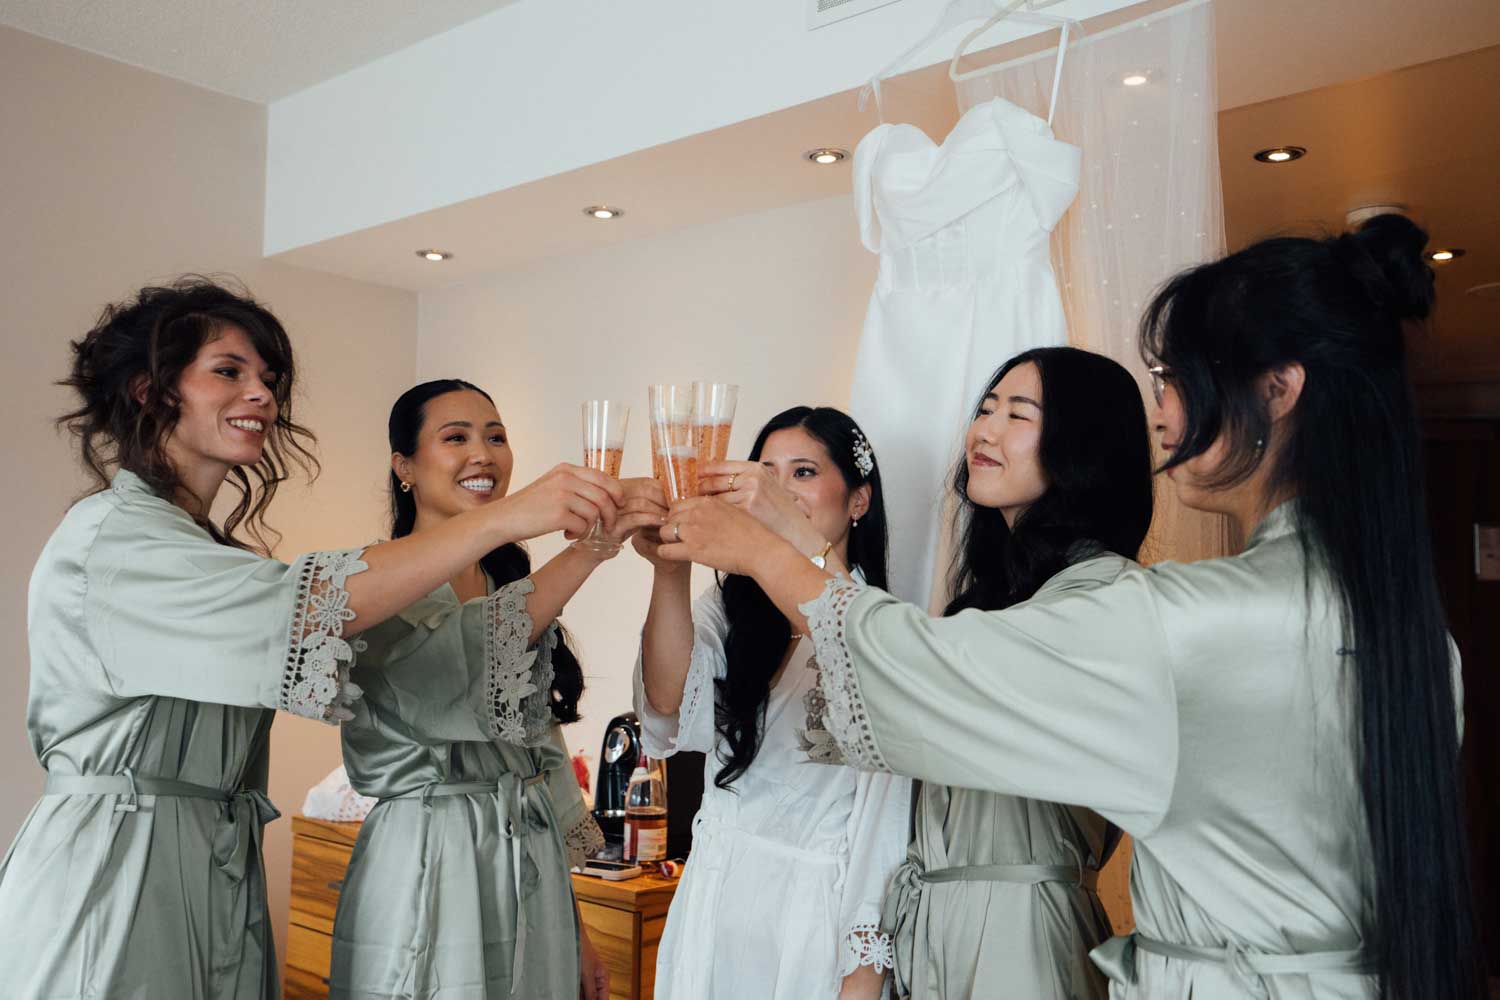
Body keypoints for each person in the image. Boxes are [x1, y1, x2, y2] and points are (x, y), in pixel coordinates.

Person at [655, 216, 1484, 999]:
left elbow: (924, 675)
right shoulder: (1405, 633)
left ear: (1277, 390)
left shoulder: (1177, 617)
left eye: (1177, 378)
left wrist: (769, 550)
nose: (1163, 409)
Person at [0, 279, 624, 1000]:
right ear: (149, 390)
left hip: (210, 862)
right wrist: (515, 522)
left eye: (268, 379)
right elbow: (304, 610)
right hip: (119, 865)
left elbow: (531, 738)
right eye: (228, 371)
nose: (261, 395)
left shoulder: (205, 549)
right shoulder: (116, 539)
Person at [330, 380, 660, 1000]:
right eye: (455, 437)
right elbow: (456, 670)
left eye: (496, 437)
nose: (482, 454)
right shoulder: (374, 579)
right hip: (433, 851)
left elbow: (543, 757)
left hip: (530, 864)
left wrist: (577, 929)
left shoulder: (508, 583)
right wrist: (591, 549)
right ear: (404, 466)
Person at [883, 347, 1153, 999]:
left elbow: (909, 684)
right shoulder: (987, 600)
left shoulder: (1101, 595)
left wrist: (792, 555)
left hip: (1022, 937)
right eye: (985, 409)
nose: (985, 431)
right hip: (936, 927)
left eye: (1018, 414)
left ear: (1080, 445)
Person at [633, 406, 910, 999]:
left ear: (858, 500)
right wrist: (668, 567)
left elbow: (885, 832)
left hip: (810, 926)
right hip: (715, 901)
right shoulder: (730, 608)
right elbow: (666, 701)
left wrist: (862, 980)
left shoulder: (879, 632)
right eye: (765, 473)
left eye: (803, 472)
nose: (776, 493)